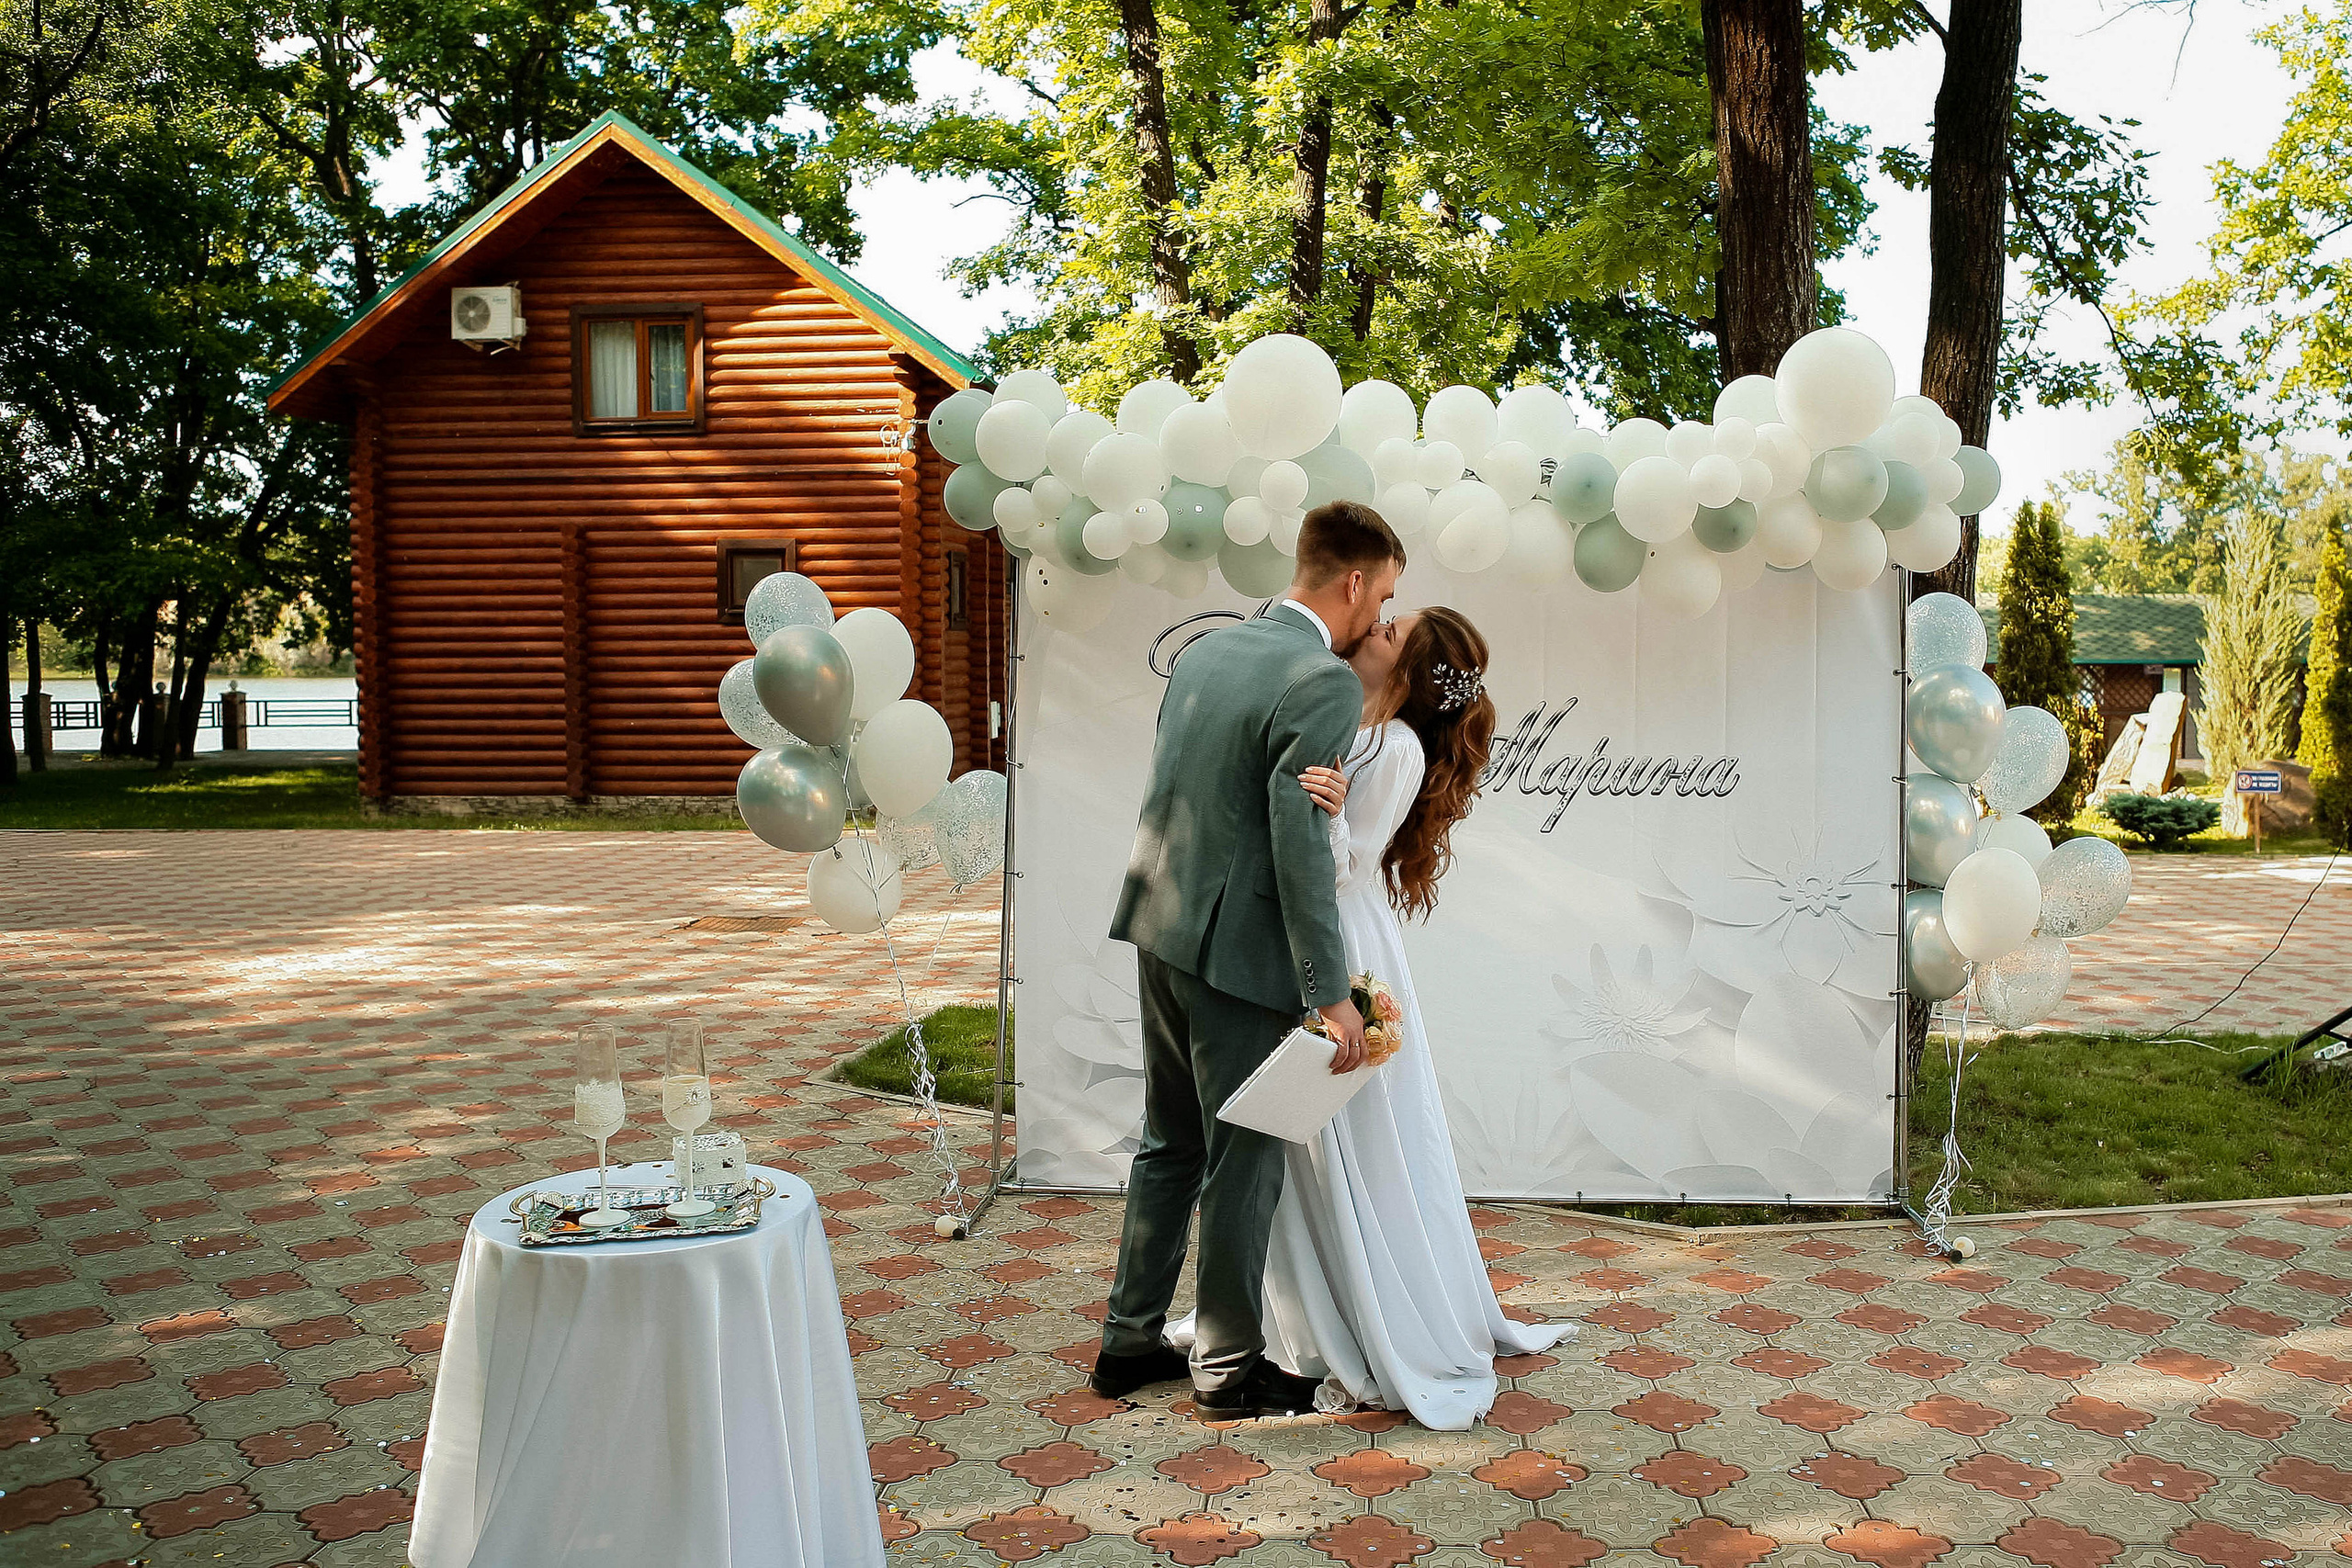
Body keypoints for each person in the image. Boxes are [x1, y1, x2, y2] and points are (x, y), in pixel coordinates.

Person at [1221, 606, 1574, 1427]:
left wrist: (1331, 809)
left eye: (1389, 631)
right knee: (1307, 1130)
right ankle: (1299, 1303)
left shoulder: (1397, 747)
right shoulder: (1360, 728)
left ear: (1408, 672)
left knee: (1353, 1123)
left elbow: (1344, 866)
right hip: (1328, 929)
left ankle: (1367, 1306)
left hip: (1345, 940)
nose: (1374, 627)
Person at [1096, 500, 1406, 1420]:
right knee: (1244, 1156)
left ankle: (1126, 1342)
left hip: (1159, 924)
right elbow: (1296, 844)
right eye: (1384, 594)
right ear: (1354, 581)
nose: (1381, 612)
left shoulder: (1206, 652)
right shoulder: (1322, 681)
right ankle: (1227, 1369)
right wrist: (1329, 993)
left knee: (1169, 1142)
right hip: (1237, 956)